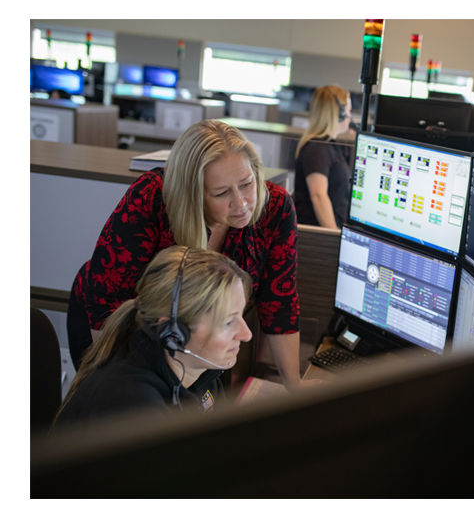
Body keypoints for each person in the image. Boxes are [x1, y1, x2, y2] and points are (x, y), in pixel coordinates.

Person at [67, 120, 304, 389]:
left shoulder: (276, 208)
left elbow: (279, 301)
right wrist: (113, 384)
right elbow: (107, 302)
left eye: (247, 184)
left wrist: (294, 386)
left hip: (198, 346)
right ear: (194, 194)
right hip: (123, 332)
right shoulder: (152, 198)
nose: (241, 203)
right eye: (221, 192)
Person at [54, 246, 252, 429]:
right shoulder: (133, 406)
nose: (246, 335)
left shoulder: (203, 375)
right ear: (174, 332)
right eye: (227, 323)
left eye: (240, 316)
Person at [294, 85, 353, 229]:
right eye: (348, 111)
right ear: (339, 114)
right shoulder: (317, 149)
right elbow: (318, 196)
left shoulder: (328, 146)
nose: (350, 116)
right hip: (319, 237)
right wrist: (333, 237)